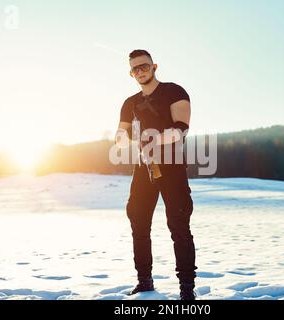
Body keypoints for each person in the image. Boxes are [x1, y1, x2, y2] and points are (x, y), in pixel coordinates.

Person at [115, 49, 197, 300]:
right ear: (131, 73)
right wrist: (124, 137)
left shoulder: (175, 91)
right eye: (135, 69)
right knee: (138, 222)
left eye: (144, 66)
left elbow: (181, 130)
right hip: (144, 168)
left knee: (179, 224)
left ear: (154, 66)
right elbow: (120, 137)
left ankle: (186, 287)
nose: (140, 71)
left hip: (171, 167)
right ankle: (144, 280)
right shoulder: (129, 103)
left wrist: (152, 138)